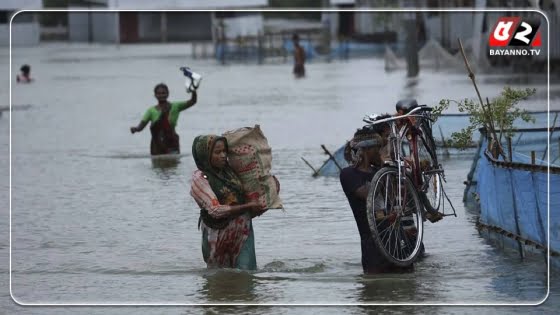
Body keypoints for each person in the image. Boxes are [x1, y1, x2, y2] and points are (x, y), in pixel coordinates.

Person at [340, 127, 419, 274]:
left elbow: (393, 197)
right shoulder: (348, 174)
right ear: (367, 150)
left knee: (408, 283)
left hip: (396, 238)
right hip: (372, 245)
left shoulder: (381, 173)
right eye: (378, 149)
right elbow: (368, 194)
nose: (381, 153)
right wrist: (383, 169)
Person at [190, 134, 267, 270]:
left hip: (242, 231)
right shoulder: (200, 178)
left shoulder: (231, 171)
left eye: (224, 151)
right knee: (217, 276)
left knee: (246, 273)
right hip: (216, 235)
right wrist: (249, 206)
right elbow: (215, 210)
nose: (223, 155)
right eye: (217, 152)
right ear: (205, 155)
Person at [130, 83, 197, 155]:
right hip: (157, 143)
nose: (161, 95)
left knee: (173, 163)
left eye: (163, 93)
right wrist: (135, 129)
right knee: (158, 164)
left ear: (168, 94)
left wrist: (193, 90)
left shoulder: (175, 106)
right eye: (158, 93)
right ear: (155, 95)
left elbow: (193, 101)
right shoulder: (151, 111)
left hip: (171, 141)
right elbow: (141, 126)